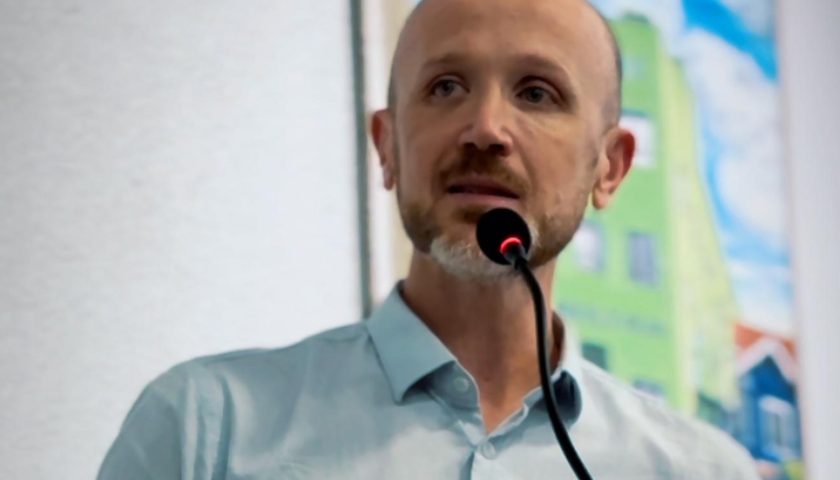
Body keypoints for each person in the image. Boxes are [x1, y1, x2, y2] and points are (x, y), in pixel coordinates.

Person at [98, 0, 761, 478]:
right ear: (387, 147)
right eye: (446, 87)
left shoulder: (703, 472)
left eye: (537, 93)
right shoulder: (204, 429)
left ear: (609, 168)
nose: (486, 128)